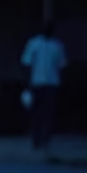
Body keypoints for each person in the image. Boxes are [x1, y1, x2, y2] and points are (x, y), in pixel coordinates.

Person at [21, 22, 66, 150]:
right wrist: (28, 83)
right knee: (36, 112)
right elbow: (27, 63)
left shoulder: (57, 45)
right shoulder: (34, 43)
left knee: (48, 113)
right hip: (37, 82)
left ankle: (46, 138)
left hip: (52, 83)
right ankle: (36, 139)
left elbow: (62, 65)